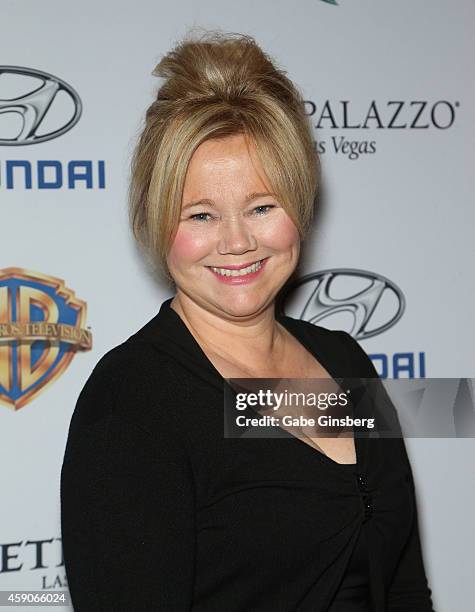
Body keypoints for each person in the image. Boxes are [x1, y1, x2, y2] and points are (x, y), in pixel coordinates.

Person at [60, 32, 435, 611]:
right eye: (202, 214)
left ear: (299, 207)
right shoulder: (133, 403)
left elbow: (404, 583)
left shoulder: (343, 360)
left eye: (262, 207)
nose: (236, 242)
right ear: (159, 224)